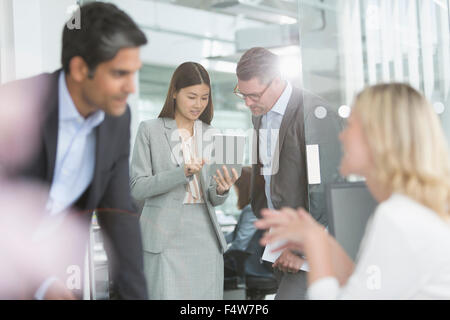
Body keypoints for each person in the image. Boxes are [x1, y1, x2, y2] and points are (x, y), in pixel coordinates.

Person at [0, 2, 148, 299]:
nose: (131, 87)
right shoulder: (19, 106)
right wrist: (42, 284)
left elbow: (119, 216)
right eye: (120, 73)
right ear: (80, 68)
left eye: (135, 73)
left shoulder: (116, 120)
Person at [255, 83, 450, 299]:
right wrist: (317, 240)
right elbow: (367, 283)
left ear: (377, 138)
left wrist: (316, 244)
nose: (342, 136)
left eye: (350, 126)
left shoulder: (398, 218)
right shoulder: (410, 211)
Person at [234, 47, 343, 299]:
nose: (247, 102)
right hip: (280, 244)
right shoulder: (261, 116)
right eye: (242, 95)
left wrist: (301, 250)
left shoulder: (314, 113)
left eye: (253, 95)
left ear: (277, 80)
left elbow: (325, 187)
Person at [130, 61, 239, 299]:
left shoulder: (214, 134)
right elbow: (138, 188)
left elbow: (214, 197)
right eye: (192, 97)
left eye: (204, 98)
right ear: (175, 93)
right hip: (164, 235)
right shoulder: (149, 130)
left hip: (205, 234)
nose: (198, 104)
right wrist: (182, 172)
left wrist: (221, 190)